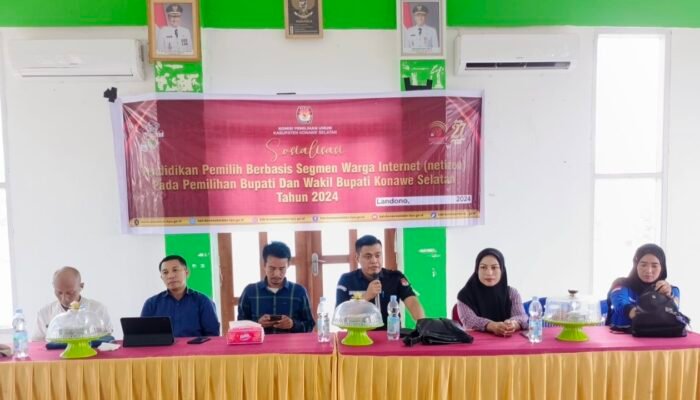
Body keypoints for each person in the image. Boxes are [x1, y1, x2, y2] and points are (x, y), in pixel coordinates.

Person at [336, 235, 425, 327]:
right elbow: (340, 317)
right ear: (357, 258)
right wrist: (366, 296)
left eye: (378, 255)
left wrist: (423, 325)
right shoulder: (346, 280)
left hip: (391, 333)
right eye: (368, 256)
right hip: (359, 334)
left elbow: (412, 302)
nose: (374, 260)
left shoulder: (396, 277)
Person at [238, 242, 315, 334]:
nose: (277, 274)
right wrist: (257, 324)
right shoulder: (250, 292)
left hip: (291, 343)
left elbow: (310, 325)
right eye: (272, 268)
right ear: (264, 265)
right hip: (260, 343)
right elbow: (239, 326)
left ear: (288, 265)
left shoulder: (299, 292)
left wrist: (293, 324)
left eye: (282, 269)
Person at [141, 255, 220, 337]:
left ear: (187, 273)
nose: (170, 276)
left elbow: (213, 336)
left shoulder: (203, 301)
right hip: (162, 346)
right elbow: (143, 336)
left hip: (194, 345)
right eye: (165, 272)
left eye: (175, 270)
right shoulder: (151, 304)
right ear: (162, 277)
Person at [456, 248, 528, 337]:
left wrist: (512, 324)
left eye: (494, 267)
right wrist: (491, 325)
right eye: (483, 267)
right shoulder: (465, 295)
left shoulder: (512, 293)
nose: (489, 273)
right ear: (477, 270)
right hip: (477, 342)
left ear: (502, 270)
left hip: (508, 341)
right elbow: (469, 321)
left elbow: (521, 317)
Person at [609, 243, 680, 329]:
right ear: (636, 265)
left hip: (659, 336)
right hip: (622, 334)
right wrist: (634, 312)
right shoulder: (621, 284)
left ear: (662, 268)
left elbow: (674, 313)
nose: (648, 271)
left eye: (654, 266)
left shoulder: (670, 290)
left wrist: (668, 296)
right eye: (643, 265)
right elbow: (620, 304)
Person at [32, 266, 113, 342]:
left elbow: (108, 340)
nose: (64, 298)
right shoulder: (44, 314)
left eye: (70, 293)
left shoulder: (98, 309)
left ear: (81, 286)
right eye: (59, 293)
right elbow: (36, 344)